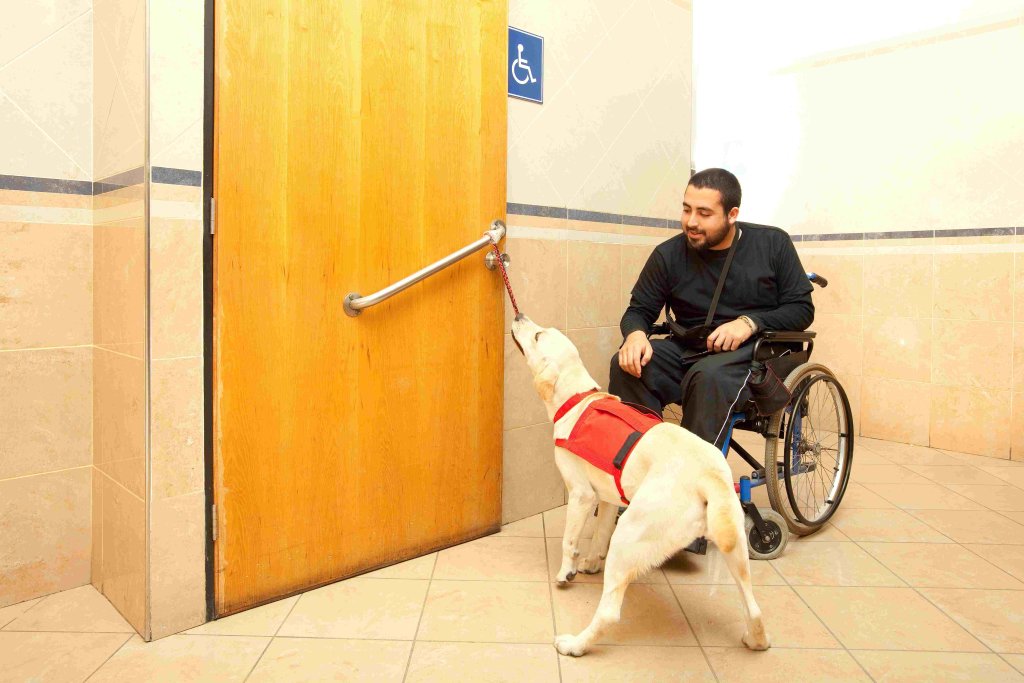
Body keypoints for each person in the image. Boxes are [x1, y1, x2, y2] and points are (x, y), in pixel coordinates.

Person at [608, 168, 813, 448]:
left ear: (732, 215)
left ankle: (693, 480)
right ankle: (644, 461)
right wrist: (635, 335)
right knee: (628, 366)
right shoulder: (668, 255)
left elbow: (802, 309)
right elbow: (638, 311)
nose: (691, 222)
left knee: (708, 376)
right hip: (690, 350)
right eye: (686, 210)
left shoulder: (773, 244)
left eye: (704, 214)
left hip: (755, 354)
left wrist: (749, 323)